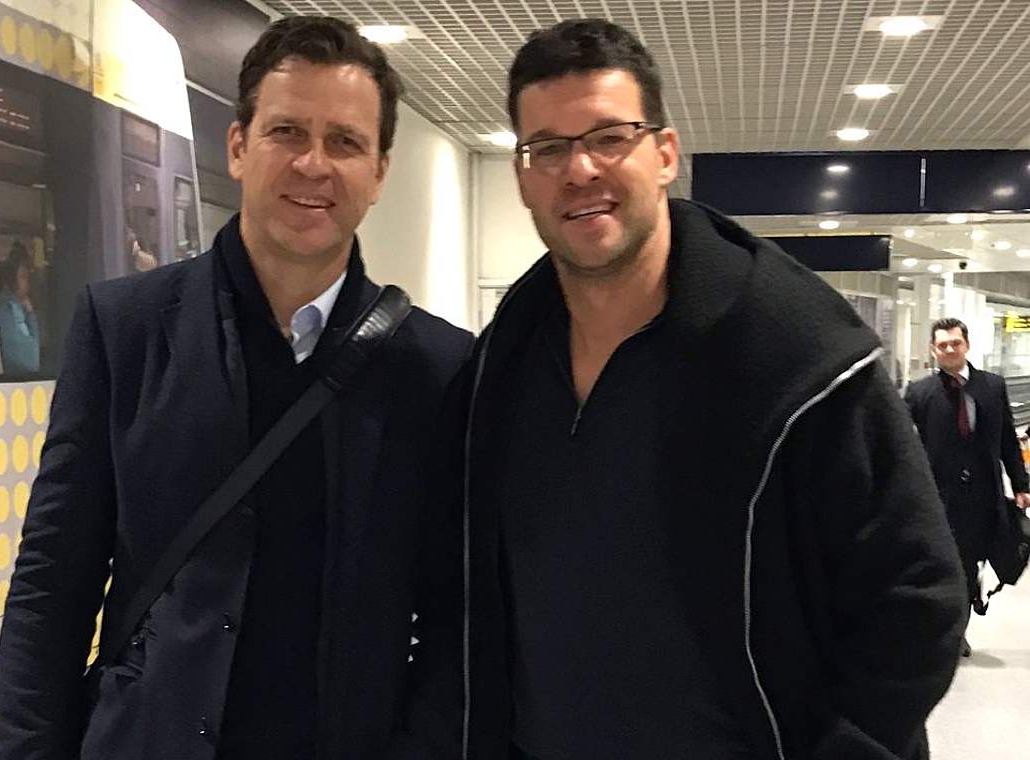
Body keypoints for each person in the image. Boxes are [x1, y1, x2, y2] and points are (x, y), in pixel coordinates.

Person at [401, 18, 969, 760]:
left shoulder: (794, 352)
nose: (579, 171)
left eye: (609, 137)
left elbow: (917, 592)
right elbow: (461, 595)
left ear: (664, 155)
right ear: (523, 175)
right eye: (548, 148)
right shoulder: (500, 368)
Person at [0, 16, 472, 760]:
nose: (313, 164)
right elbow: (54, 582)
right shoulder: (125, 331)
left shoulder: (437, 369)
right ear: (240, 146)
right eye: (287, 132)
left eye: (344, 141)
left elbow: (456, 616)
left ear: (378, 173)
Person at [904, 317, 1030, 649]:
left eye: (954, 343)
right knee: (947, 563)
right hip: (939, 497)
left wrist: (1021, 484)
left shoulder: (992, 386)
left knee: (970, 562)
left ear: (967, 345)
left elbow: (1006, 440)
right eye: (942, 345)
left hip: (982, 495)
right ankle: (951, 633)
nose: (948, 349)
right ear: (933, 350)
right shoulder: (920, 393)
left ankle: (964, 615)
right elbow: (900, 442)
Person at [0, 242, 41, 374]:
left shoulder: (22, 310)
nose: (27, 282)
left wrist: (30, 314)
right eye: (23, 277)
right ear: (12, 280)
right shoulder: (9, 311)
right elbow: (29, 362)